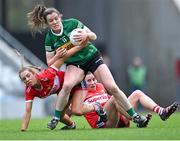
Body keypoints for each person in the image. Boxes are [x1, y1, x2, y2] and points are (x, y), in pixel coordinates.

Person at [27, 5, 149, 130]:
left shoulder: (72, 23)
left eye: (56, 19)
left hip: (92, 57)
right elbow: (49, 63)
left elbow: (93, 36)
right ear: (47, 23)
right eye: (51, 21)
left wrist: (87, 36)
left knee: (112, 87)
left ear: (60, 17)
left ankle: (135, 116)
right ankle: (56, 118)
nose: (54, 22)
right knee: (67, 85)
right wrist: (57, 55)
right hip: (75, 64)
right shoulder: (49, 38)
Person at [19, 41, 102, 131]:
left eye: (28, 76)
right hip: (64, 92)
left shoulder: (46, 75)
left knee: (76, 111)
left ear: (34, 74)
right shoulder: (29, 90)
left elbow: (62, 59)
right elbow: (28, 111)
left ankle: (96, 106)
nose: (27, 79)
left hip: (76, 84)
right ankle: (71, 125)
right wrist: (23, 130)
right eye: (24, 79)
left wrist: (78, 46)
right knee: (61, 116)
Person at [83, 72, 179, 128]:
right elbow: (72, 108)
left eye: (94, 79)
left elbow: (113, 103)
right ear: (83, 82)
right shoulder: (81, 93)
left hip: (119, 118)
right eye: (89, 81)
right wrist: (70, 123)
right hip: (103, 123)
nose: (93, 82)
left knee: (137, 93)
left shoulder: (100, 86)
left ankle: (161, 111)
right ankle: (137, 119)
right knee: (115, 97)